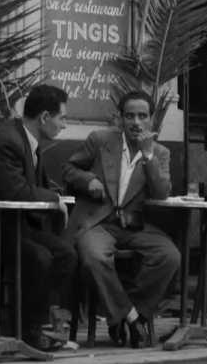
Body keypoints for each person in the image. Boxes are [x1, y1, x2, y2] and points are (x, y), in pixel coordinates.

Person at [61, 90, 180, 349]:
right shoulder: (99, 140)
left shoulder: (160, 153)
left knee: (169, 256)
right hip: (98, 222)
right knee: (94, 257)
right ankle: (133, 318)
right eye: (130, 116)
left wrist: (148, 156)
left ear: (152, 119)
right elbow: (69, 169)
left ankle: (125, 314)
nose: (136, 122)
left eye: (142, 116)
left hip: (134, 225)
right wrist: (88, 179)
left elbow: (161, 192)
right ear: (120, 119)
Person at [0, 83, 76, 347]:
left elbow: (33, 187)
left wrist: (55, 198)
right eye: (62, 118)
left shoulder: (28, 139)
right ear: (44, 118)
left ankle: (34, 319)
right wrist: (54, 200)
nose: (64, 125)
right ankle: (28, 331)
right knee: (38, 258)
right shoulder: (7, 140)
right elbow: (17, 191)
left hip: (15, 227)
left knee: (66, 253)